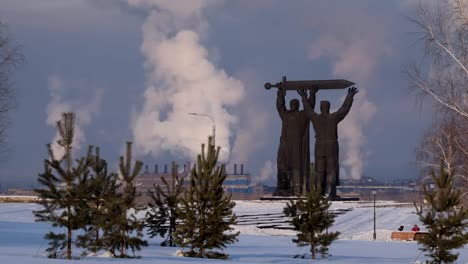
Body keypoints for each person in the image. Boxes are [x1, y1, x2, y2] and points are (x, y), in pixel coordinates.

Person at [299, 87, 358, 199]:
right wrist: (349, 97)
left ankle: (319, 193)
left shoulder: (316, 118)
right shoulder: (333, 117)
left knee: (319, 170)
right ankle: (331, 193)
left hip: (320, 145)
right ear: (329, 108)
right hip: (331, 145)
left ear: (321, 108)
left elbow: (308, 110)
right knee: (331, 169)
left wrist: (303, 98)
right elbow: (344, 109)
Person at [274, 86, 313, 196]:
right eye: (292, 104)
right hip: (285, 146)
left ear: (298, 105)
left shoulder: (302, 115)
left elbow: (310, 108)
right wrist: (280, 95)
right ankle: (282, 187)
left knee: (296, 167)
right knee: (282, 165)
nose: (293, 106)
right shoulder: (286, 115)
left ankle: (297, 189)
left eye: (295, 104)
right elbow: (280, 106)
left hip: (297, 147)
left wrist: (310, 95)